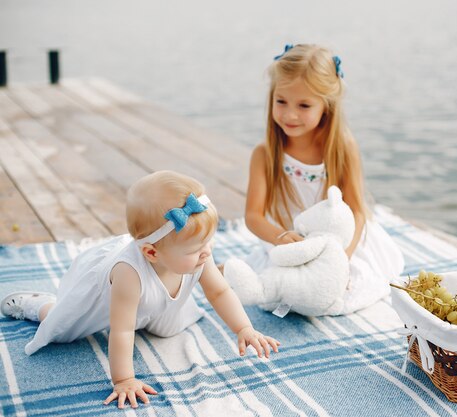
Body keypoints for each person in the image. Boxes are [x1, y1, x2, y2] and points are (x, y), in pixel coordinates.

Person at [1, 170, 279, 409]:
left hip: (154, 300)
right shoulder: (128, 274)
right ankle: (39, 304)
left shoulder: (198, 256)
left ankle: (152, 313)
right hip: (105, 303)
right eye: (197, 248)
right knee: (62, 327)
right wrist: (124, 379)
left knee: (167, 329)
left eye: (209, 242)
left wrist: (244, 328)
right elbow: (121, 330)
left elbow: (220, 293)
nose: (207, 252)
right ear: (151, 252)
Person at [244, 44, 405, 314]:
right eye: (281, 101)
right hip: (290, 237)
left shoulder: (342, 147)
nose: (290, 114)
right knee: (279, 289)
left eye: (304, 105)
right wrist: (281, 237)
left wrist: (342, 256)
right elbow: (253, 215)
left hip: (339, 239)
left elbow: (356, 209)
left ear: (326, 107)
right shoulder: (264, 154)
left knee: (347, 286)